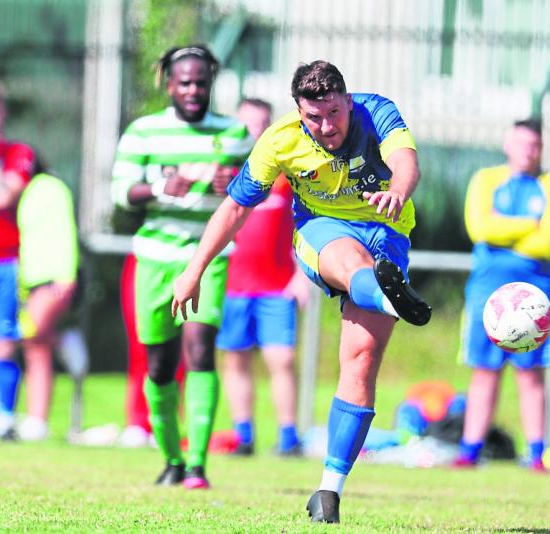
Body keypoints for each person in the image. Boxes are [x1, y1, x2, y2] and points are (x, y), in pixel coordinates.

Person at [172, 60, 432, 523]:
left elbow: (406, 162)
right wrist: (194, 268)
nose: (327, 126)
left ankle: (328, 491)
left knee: (360, 361)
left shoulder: (377, 111)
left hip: (387, 230)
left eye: (334, 113)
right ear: (298, 111)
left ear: (348, 102)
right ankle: (389, 295)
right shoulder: (280, 140)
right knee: (351, 261)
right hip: (322, 231)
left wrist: (396, 190)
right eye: (315, 117)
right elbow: (234, 208)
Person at [111, 44, 254, 488]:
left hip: (207, 258)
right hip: (154, 258)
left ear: (212, 82)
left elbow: (259, 192)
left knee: (199, 352)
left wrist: (234, 186)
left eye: (201, 82)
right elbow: (121, 192)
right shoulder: (143, 132)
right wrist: (158, 185)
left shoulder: (235, 134)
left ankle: (197, 466)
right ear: (168, 84)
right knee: (158, 364)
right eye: (185, 82)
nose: (193, 90)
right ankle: (172, 459)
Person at [454, 118, 550, 471]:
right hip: (487, 295)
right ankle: (469, 452)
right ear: (508, 144)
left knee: (531, 373)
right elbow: (479, 227)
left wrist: (502, 229)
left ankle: (537, 455)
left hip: (536, 296)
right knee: (484, 372)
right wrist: (526, 225)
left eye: (535, 145)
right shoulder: (486, 179)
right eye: (522, 143)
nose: (528, 151)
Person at [216, 97, 310, 456]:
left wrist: (302, 275)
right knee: (235, 358)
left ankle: (288, 436)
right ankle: (244, 434)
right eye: (246, 124)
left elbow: (306, 225)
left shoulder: (287, 176)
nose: (254, 131)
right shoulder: (225, 173)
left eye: (261, 124)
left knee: (281, 359)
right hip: (233, 286)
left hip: (277, 286)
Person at [15, 166, 79, 441]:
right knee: (33, 346)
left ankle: (65, 342)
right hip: (31, 280)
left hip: (53, 279)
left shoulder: (50, 188)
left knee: (33, 337)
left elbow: (66, 232)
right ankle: (36, 419)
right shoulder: (27, 193)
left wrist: (66, 275)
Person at [0, 83, 36, 440]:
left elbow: (2, 196)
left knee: (4, 340)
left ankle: (6, 417)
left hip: (5, 263)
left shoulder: (17, 154)